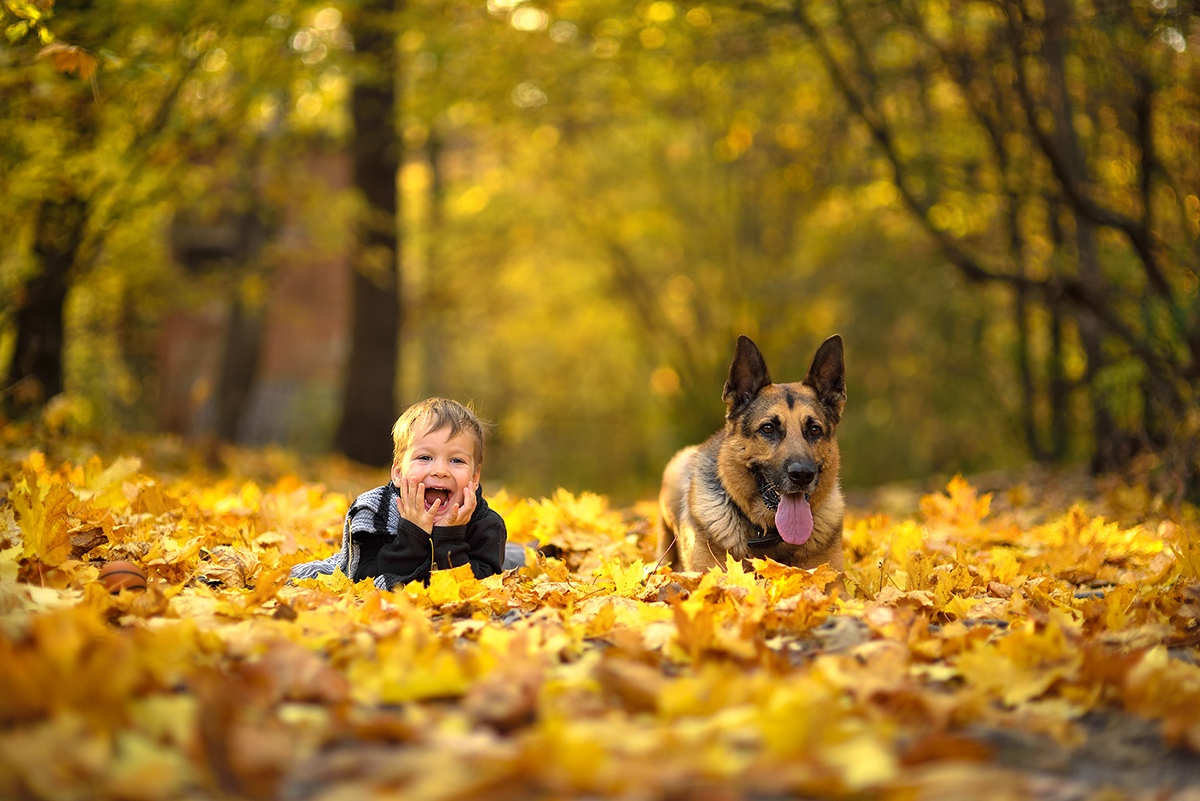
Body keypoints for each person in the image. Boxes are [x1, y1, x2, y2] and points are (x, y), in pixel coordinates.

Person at [290, 398, 509, 590]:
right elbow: (365, 578)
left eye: (456, 460)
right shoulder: (376, 513)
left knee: (512, 558)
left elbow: (477, 588)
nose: (440, 471)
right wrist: (413, 534)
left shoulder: (486, 525)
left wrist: (449, 536)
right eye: (424, 457)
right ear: (397, 472)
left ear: (475, 476)